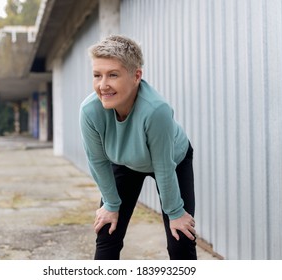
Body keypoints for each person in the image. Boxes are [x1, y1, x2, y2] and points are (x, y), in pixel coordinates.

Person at [79, 35, 197, 260]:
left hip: (171, 160)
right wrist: (111, 205)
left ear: (136, 76)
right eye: (97, 75)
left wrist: (175, 212)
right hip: (125, 162)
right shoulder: (89, 111)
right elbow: (97, 161)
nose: (103, 85)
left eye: (113, 74)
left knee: (180, 238)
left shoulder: (156, 110)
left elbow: (163, 166)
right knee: (107, 230)